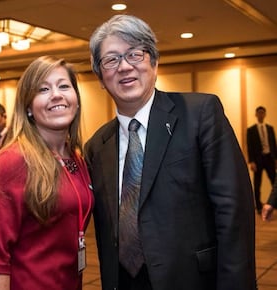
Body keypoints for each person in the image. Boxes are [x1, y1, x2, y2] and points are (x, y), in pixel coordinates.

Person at [84, 15, 256, 290]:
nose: (125, 67)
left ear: (154, 62)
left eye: (135, 54)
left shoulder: (200, 115)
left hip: (193, 280)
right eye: (111, 60)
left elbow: (234, 213)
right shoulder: (96, 146)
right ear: (101, 77)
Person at [0, 56, 94, 290]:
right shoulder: (11, 162)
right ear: (28, 107)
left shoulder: (77, 158)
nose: (56, 95)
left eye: (63, 86)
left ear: (76, 100)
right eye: (43, 89)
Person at [247, 106, 277, 214]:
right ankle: (259, 207)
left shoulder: (270, 128)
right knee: (257, 183)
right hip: (258, 160)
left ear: (265, 114)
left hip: (269, 158)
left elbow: (274, 144)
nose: (261, 114)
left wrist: (275, 159)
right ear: (256, 114)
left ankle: (274, 203)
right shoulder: (251, 130)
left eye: (262, 113)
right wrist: (251, 161)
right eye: (259, 113)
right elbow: (249, 146)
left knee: (275, 182)